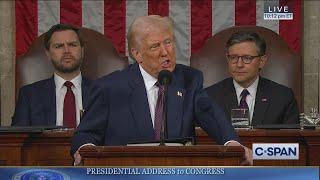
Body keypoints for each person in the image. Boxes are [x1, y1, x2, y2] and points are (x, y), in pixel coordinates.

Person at [71, 15, 252, 165]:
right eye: (155, 46)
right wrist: (83, 150)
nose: (165, 52)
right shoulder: (109, 88)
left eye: (168, 42)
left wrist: (233, 144)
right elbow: (86, 133)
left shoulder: (189, 80)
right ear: (137, 54)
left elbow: (211, 114)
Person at [205, 31, 299, 126]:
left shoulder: (282, 97)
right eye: (233, 57)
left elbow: (291, 138)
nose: (239, 64)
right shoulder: (209, 97)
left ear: (262, 61)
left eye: (247, 58)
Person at [11, 24, 92, 128]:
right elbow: (18, 141)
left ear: (82, 51)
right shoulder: (29, 95)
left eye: (72, 45)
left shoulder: (102, 92)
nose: (67, 51)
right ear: (48, 54)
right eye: (59, 46)